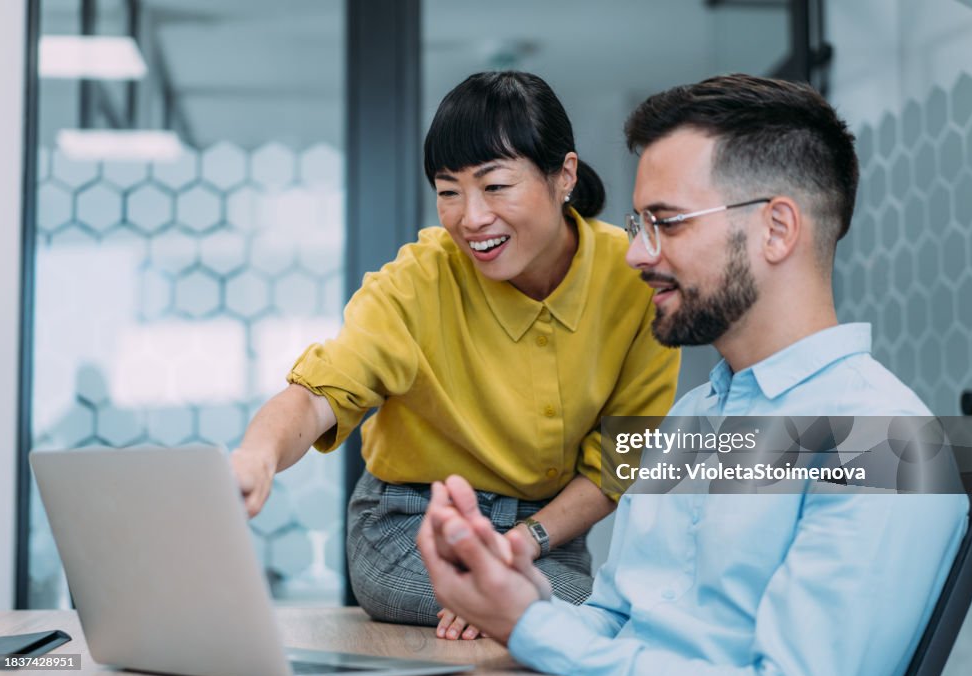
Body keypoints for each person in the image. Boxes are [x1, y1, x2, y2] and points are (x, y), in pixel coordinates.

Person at [419, 74, 969, 676]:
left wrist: (531, 626)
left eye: (669, 223)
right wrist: (512, 597)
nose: (636, 254)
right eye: (640, 224)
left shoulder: (889, 442)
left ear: (777, 229)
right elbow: (616, 623)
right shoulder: (692, 420)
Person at [229, 71, 680, 639]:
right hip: (410, 528)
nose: (471, 218)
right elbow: (322, 392)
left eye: (495, 187)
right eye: (449, 191)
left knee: (593, 612)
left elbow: (618, 463)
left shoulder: (635, 280)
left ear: (563, 175)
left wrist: (515, 552)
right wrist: (257, 454)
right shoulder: (418, 279)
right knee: (580, 616)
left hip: (548, 537)